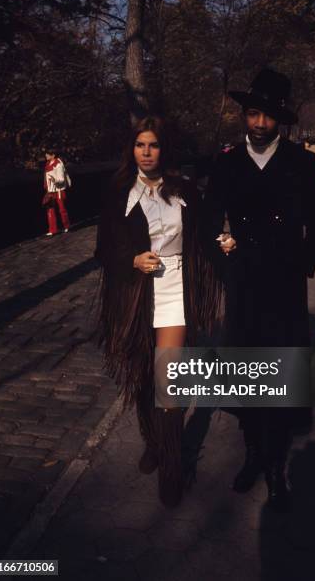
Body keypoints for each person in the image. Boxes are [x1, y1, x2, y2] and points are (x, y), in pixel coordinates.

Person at [203, 68, 315, 509]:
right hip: (243, 285)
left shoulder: (301, 162)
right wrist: (222, 255)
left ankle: (277, 466)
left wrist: (303, 262)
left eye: (267, 117)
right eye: (252, 114)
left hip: (285, 286)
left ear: (281, 121)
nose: (258, 124)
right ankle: (253, 454)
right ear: (245, 115)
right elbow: (207, 220)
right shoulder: (226, 162)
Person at [94, 115, 220, 508]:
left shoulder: (183, 190)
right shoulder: (118, 191)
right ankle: (154, 440)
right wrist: (132, 259)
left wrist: (224, 241)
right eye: (139, 145)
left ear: (164, 150)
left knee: (169, 378)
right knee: (144, 376)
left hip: (175, 292)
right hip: (135, 296)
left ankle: (172, 464)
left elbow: (202, 234)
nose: (146, 152)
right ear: (131, 150)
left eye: (153, 145)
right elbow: (104, 250)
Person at [43, 150, 71, 236]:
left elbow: (61, 179)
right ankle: (52, 230)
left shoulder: (58, 164)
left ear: (53, 155)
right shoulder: (48, 164)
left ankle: (66, 226)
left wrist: (54, 180)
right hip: (51, 190)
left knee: (62, 209)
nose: (46, 156)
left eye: (47, 154)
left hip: (58, 189)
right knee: (50, 210)